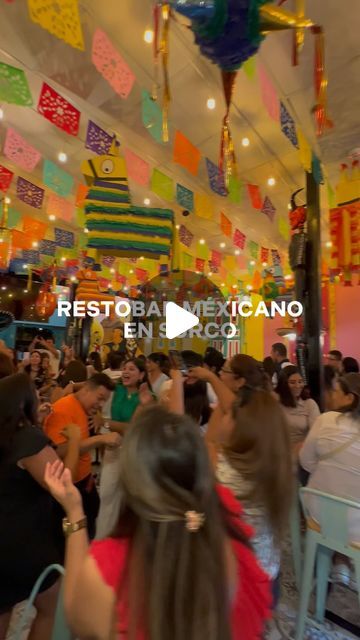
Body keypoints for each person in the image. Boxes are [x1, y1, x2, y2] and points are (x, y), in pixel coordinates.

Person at [44, 406, 272, 640]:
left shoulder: (109, 565)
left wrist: (74, 512)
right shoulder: (229, 539)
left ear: (131, 480)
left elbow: (76, 615)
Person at [0, 373, 81, 640]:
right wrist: (76, 443)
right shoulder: (29, 440)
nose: (39, 395)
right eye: (34, 392)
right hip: (23, 541)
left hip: (5, 533)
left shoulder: (8, 435)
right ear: (23, 401)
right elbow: (62, 486)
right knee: (52, 606)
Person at [217, 387, 293, 601]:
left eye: (226, 414)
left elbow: (210, 441)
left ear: (239, 427)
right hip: (268, 575)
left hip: (237, 584)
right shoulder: (278, 467)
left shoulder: (224, 472)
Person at [44, 373, 121, 539]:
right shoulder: (63, 409)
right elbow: (58, 451)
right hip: (71, 487)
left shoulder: (83, 407)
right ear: (86, 390)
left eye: (104, 401)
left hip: (85, 482)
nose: (100, 405)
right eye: (99, 398)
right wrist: (100, 439)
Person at [299, 373, 360, 542]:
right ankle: (344, 561)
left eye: (335, 391)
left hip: (321, 514)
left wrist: (329, 469)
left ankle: (336, 559)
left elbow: (305, 462)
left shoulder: (325, 419)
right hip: (357, 526)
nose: (330, 394)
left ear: (349, 398)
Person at [276, 366, 320, 448]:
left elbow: (315, 435)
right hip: (280, 451)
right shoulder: (276, 403)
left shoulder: (310, 404)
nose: (297, 386)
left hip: (303, 450)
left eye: (300, 382)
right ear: (283, 384)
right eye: (292, 382)